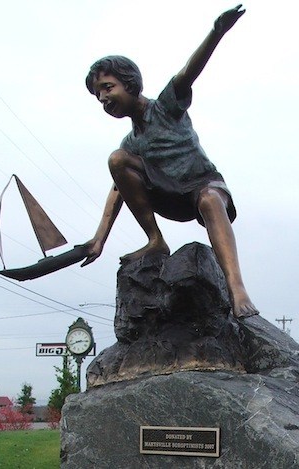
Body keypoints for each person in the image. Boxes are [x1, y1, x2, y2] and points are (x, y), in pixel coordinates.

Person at [82, 4, 258, 319]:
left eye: (108, 88)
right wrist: (99, 240)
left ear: (130, 83)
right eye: (97, 95)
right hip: (170, 197)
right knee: (118, 160)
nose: (103, 98)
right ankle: (155, 240)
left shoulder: (165, 106)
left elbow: (189, 71)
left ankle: (237, 287)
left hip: (204, 186)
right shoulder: (131, 143)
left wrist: (216, 33)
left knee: (209, 200)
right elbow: (117, 190)